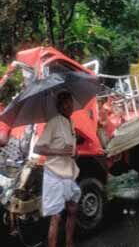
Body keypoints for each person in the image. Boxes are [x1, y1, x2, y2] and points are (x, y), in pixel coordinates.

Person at [34, 91, 80, 247]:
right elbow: (38, 148)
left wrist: (75, 151)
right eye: (64, 103)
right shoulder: (54, 122)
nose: (68, 106)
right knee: (56, 217)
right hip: (54, 175)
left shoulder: (71, 122)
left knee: (73, 208)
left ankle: (69, 243)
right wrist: (60, 152)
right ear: (59, 106)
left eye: (69, 102)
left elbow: (70, 149)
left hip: (68, 174)